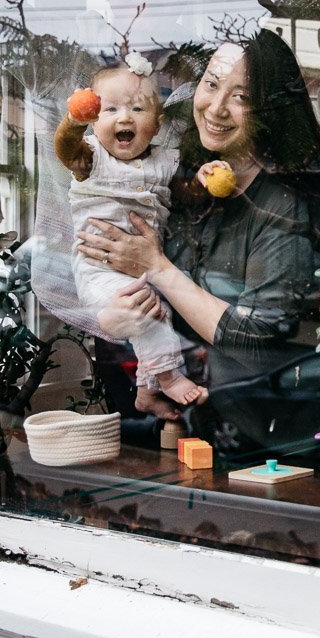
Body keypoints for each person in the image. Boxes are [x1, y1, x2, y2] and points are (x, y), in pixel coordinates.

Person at [75, 30, 320, 459]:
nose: (216, 108)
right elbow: (174, 308)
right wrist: (149, 364)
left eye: (240, 95)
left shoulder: (286, 204)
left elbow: (259, 339)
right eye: (211, 84)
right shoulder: (188, 178)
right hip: (199, 430)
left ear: (270, 109)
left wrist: (157, 267)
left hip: (275, 444)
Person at [55, 55, 206, 417]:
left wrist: (202, 180)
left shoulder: (165, 159)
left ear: (156, 126)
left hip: (142, 266)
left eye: (137, 109)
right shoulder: (91, 157)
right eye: (110, 110)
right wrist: (73, 122)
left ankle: (146, 392)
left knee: (157, 312)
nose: (124, 117)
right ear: (95, 120)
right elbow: (65, 149)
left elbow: (187, 190)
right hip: (99, 269)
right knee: (145, 314)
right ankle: (169, 377)